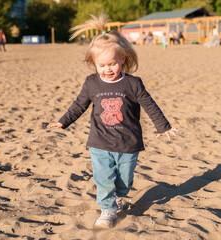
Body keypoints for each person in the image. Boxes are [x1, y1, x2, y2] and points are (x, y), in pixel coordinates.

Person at [47, 13, 178, 229]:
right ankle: (107, 210)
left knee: (124, 180)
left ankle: (119, 196)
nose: (107, 69)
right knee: (103, 177)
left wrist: (164, 127)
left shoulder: (133, 84)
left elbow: (150, 104)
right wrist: (63, 122)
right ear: (94, 63)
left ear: (123, 59)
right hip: (100, 142)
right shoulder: (91, 83)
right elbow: (79, 105)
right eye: (102, 65)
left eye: (112, 64)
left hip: (128, 143)